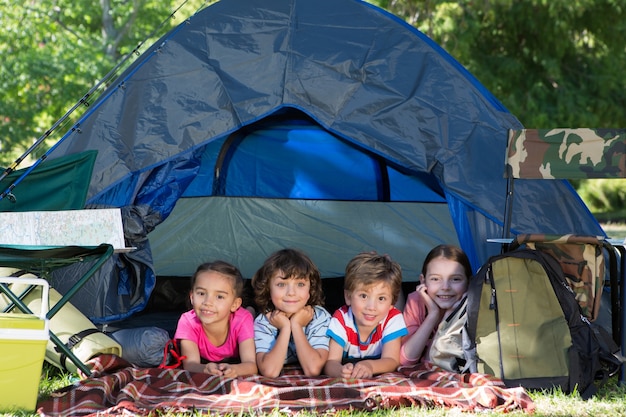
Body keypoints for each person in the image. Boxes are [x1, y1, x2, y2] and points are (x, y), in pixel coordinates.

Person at [324, 251, 407, 379]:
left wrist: (370, 366)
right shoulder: (341, 318)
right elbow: (331, 362)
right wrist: (340, 371)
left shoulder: (393, 318)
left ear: (392, 303)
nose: (371, 307)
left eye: (381, 298)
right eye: (364, 296)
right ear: (348, 297)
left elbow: (391, 360)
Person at [252, 248, 331, 377]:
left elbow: (313, 369)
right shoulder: (264, 321)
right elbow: (270, 371)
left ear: (310, 288)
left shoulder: (320, 317)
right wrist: (285, 328)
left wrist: (297, 325)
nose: (291, 293)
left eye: (300, 284)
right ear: (268, 288)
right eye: (281, 284)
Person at [174, 260, 257, 377]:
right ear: (192, 297)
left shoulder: (242, 320)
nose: (208, 302)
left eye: (219, 296)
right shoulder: (187, 321)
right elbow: (190, 365)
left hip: (242, 317)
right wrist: (204, 369)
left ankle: (251, 308)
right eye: (202, 293)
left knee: (249, 316)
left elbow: (251, 365)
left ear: (234, 304)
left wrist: (235, 369)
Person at [400, 244, 472, 370]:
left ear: (468, 281)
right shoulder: (416, 301)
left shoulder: (473, 307)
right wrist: (432, 315)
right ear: (423, 281)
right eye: (435, 279)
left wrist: (449, 317)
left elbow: (433, 362)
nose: (445, 287)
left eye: (455, 279)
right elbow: (406, 360)